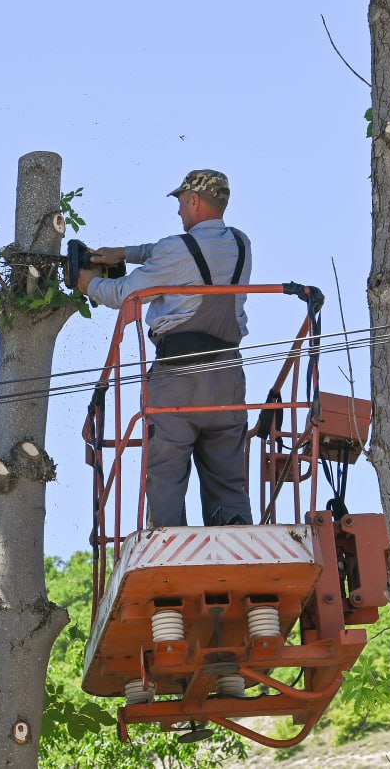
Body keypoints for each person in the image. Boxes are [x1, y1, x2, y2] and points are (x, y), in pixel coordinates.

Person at [75, 169, 254, 528]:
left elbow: (124, 294)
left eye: (180, 203)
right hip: (229, 377)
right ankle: (237, 541)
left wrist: (87, 283)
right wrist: (125, 253)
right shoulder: (240, 243)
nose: (178, 212)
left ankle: (170, 546)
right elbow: (172, 253)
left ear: (194, 201)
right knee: (229, 477)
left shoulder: (176, 249)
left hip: (177, 379)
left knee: (166, 473)